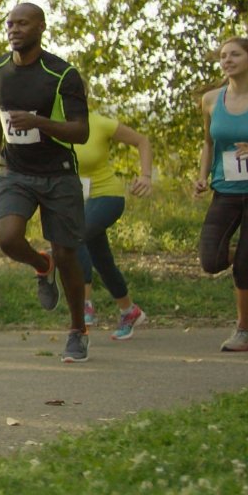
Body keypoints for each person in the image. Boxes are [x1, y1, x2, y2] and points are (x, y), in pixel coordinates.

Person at [0, 3, 91, 363]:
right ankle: (40, 266)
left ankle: (78, 329)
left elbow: (81, 131)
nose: (14, 29)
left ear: (41, 27)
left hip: (58, 172)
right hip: (14, 170)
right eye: (10, 23)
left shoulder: (62, 74)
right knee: (8, 237)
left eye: (22, 23)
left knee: (66, 253)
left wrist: (39, 123)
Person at [195, 36, 248, 353]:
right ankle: (243, 251)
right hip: (224, 191)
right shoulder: (211, 100)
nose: (227, 60)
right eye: (223, 56)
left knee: (243, 266)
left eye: (235, 55)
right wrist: (201, 176)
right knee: (210, 261)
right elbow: (209, 144)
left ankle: (244, 332)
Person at [73, 110, 152, 340]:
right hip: (80, 202)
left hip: (108, 197)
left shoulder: (100, 123)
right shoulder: (55, 126)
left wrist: (146, 176)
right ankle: (129, 310)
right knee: (102, 259)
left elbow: (142, 141)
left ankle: (85, 304)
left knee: (77, 236)